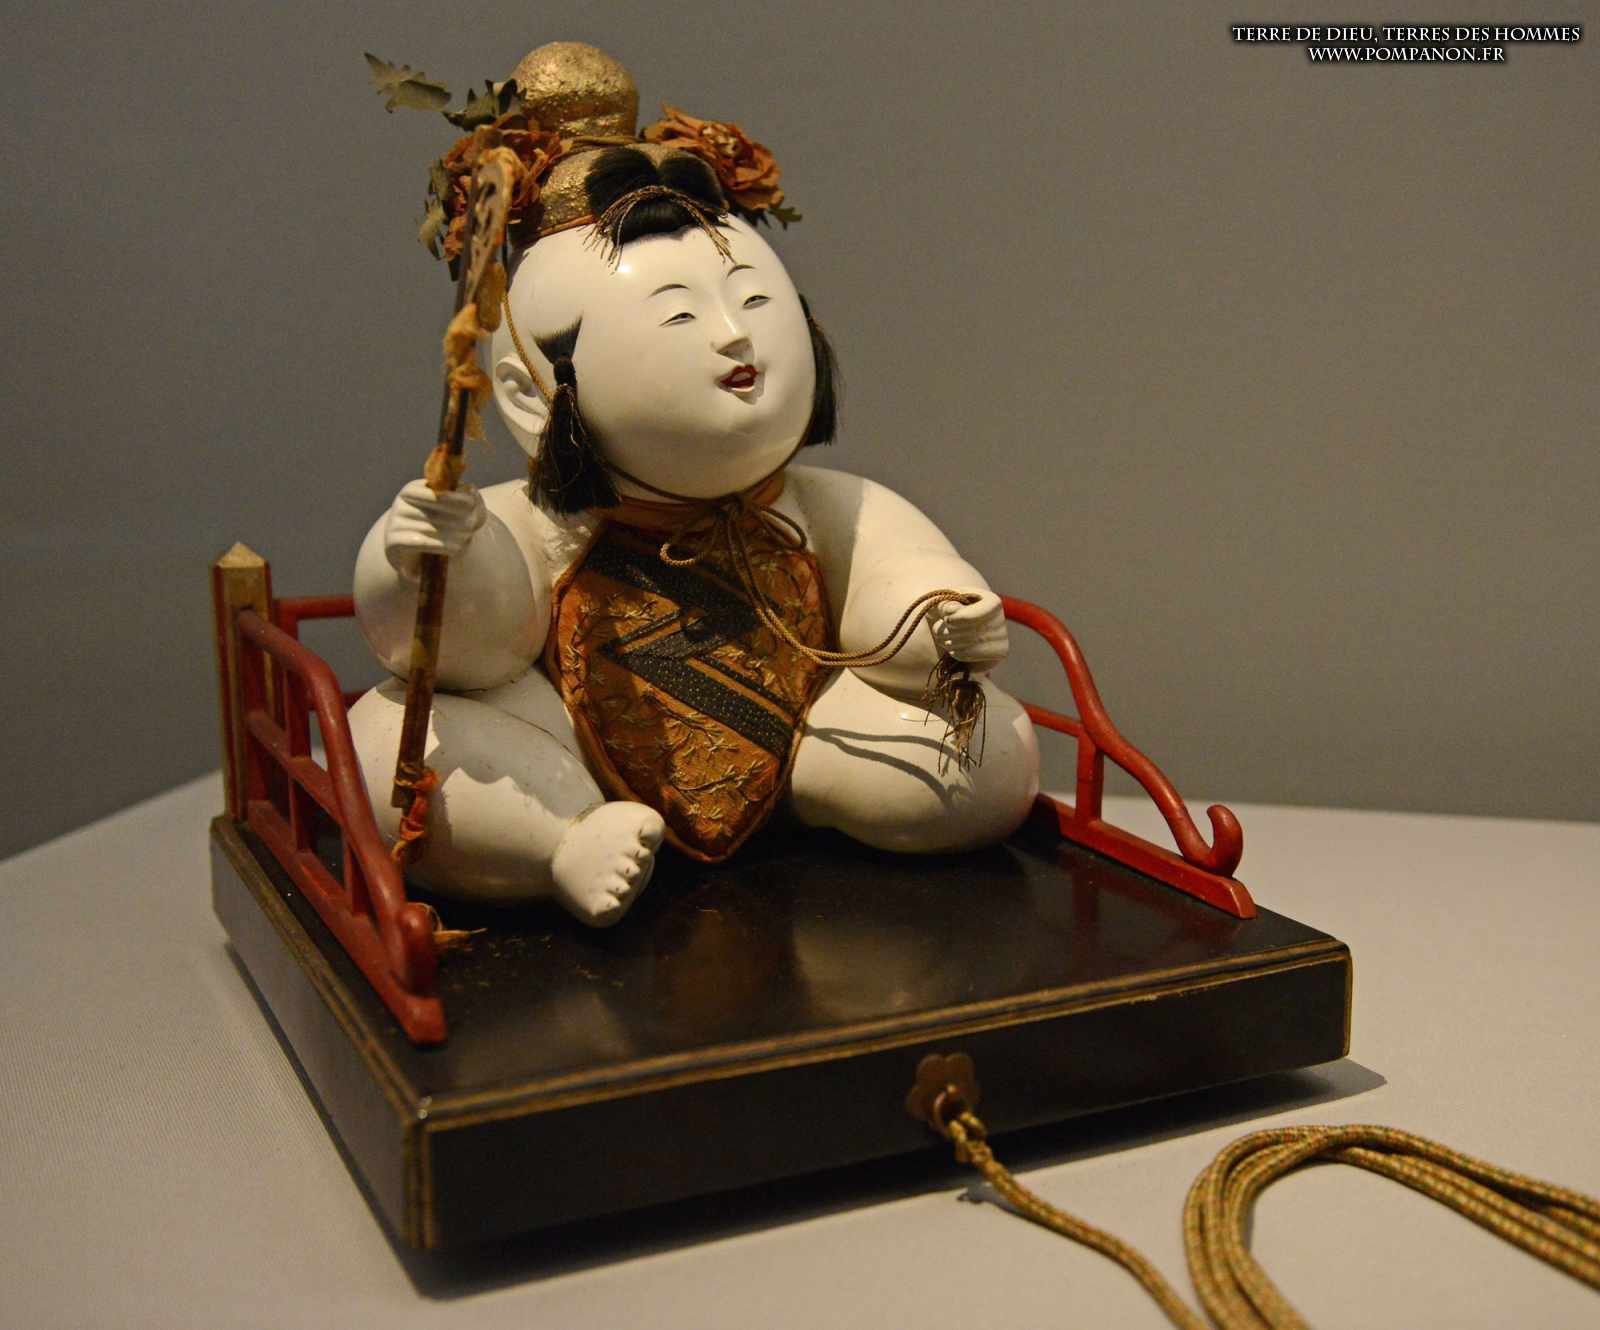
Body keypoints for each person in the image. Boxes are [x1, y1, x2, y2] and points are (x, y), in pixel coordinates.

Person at [349, 44, 1039, 924]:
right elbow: (471, 649)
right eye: (679, 314)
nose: (733, 337)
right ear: (529, 392)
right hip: (565, 758)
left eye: (753, 302)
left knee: (988, 745)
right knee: (394, 739)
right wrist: (425, 555)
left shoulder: (821, 506)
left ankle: (820, 789)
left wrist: (939, 620)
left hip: (806, 738)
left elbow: (894, 578)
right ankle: (560, 839)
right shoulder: (532, 522)